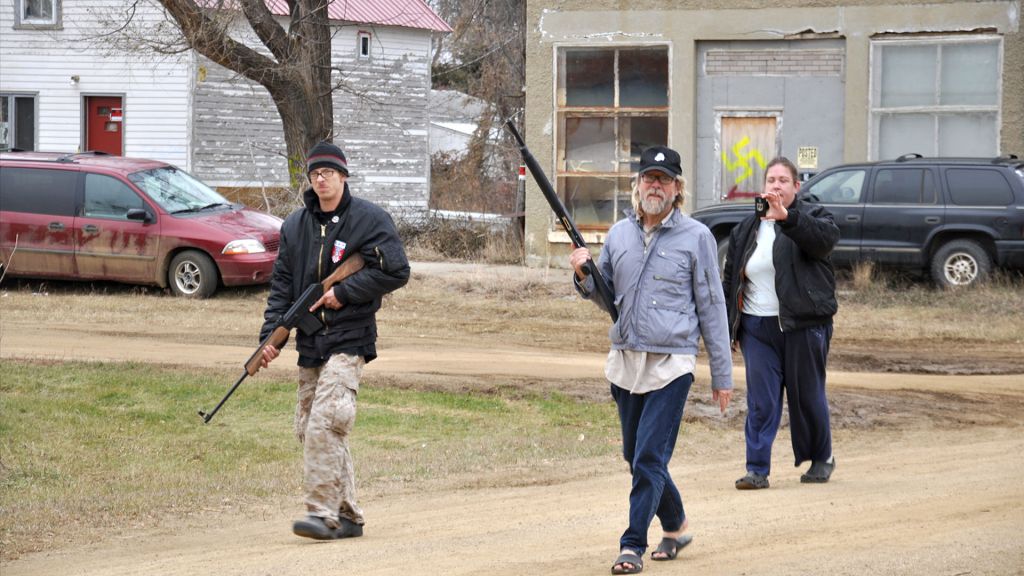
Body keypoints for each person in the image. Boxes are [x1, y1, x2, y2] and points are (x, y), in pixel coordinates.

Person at [570, 146, 733, 575]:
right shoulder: (619, 234)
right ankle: (676, 526)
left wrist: (722, 374)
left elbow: (713, 308)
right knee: (636, 454)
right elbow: (601, 295)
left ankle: (631, 545)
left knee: (647, 459)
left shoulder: (697, 236)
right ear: (637, 185)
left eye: (664, 179)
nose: (654, 185)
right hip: (625, 361)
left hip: (672, 365)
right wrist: (583, 274)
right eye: (648, 178)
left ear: (677, 189)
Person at [258, 140, 410, 540]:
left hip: (351, 336)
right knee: (307, 426)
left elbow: (396, 271)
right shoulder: (294, 226)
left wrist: (344, 292)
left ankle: (321, 513)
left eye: (328, 172)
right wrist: (269, 338)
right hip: (311, 341)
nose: (321, 179)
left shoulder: (370, 220)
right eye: (314, 173)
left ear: (343, 176)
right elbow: (282, 287)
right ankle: (349, 516)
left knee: (328, 420)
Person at [722, 157, 839, 491]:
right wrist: (732, 325)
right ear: (763, 187)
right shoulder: (747, 228)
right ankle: (757, 469)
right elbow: (732, 277)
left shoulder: (814, 218)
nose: (776, 186)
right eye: (771, 180)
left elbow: (822, 242)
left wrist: (787, 219)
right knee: (762, 400)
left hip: (803, 325)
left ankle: (821, 457)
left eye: (783, 180)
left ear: (796, 187)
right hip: (758, 329)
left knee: (808, 396)